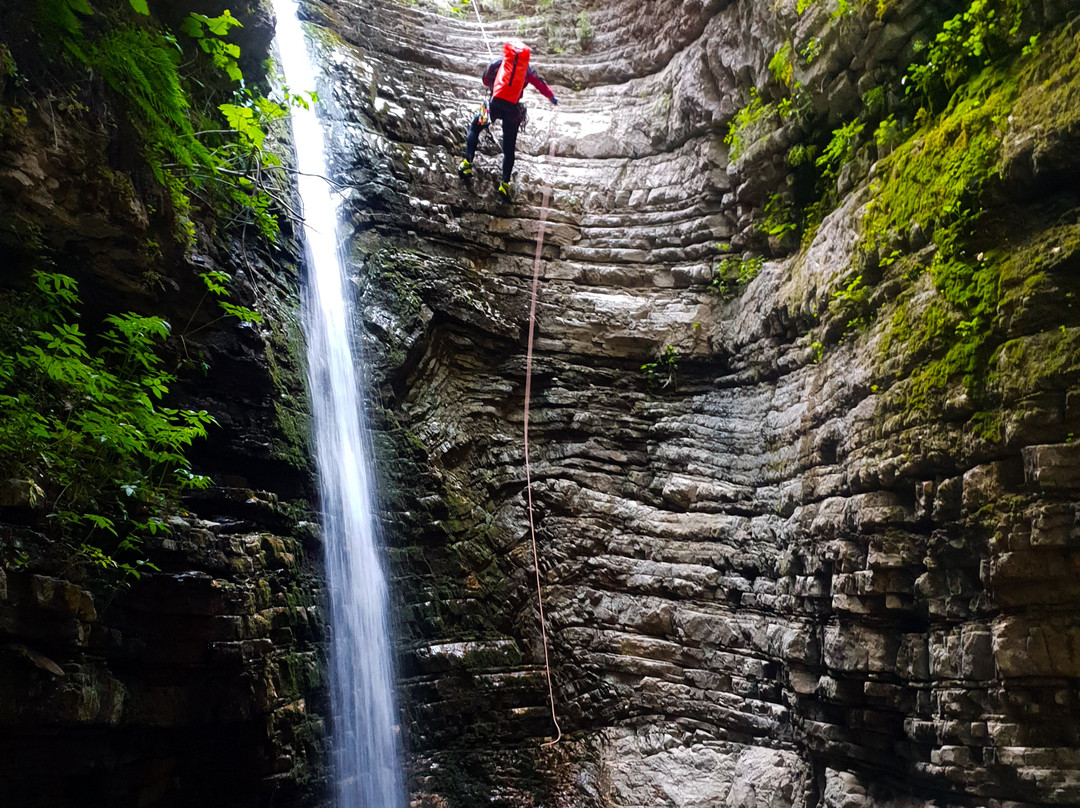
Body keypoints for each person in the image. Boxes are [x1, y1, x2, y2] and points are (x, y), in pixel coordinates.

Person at [459, 39, 558, 201]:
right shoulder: (526, 69)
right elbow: (540, 84)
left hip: (494, 104)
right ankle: (504, 184)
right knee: (509, 148)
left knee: (475, 128)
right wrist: (552, 98)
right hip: (513, 110)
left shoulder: (499, 63)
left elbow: (485, 81)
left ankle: (467, 163)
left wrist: (495, 81)